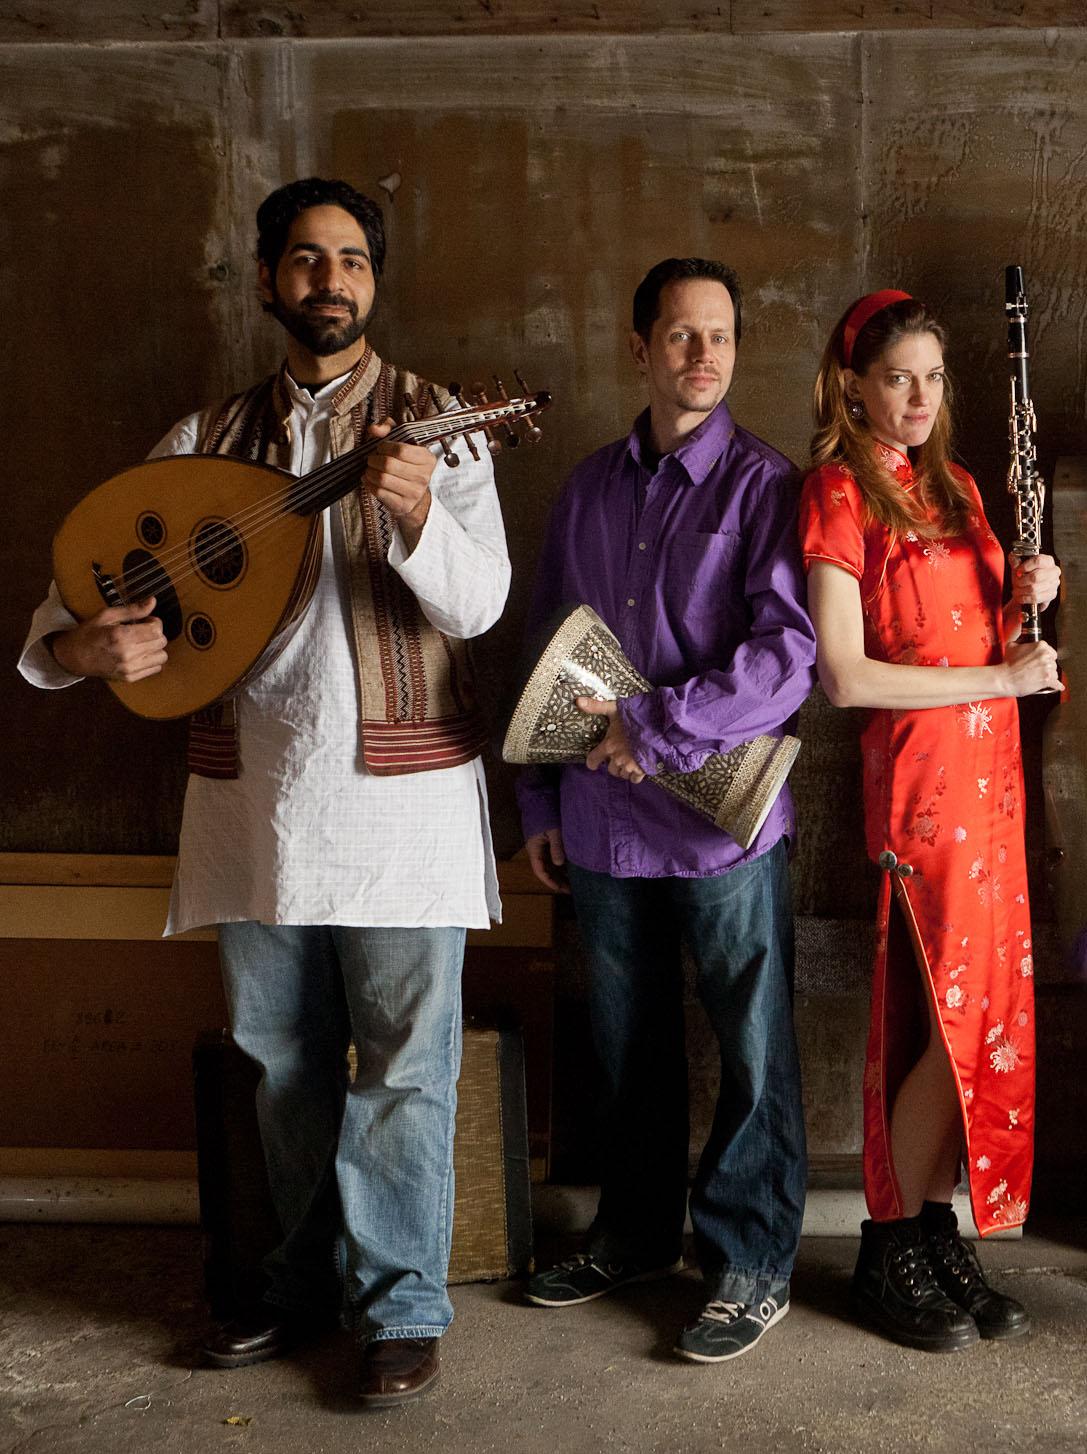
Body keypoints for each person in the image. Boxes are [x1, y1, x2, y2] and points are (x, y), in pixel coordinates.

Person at [18, 177, 511, 1405]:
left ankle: (400, 1306)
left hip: (405, 808)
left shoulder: (441, 424)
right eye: (303, 259)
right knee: (276, 1058)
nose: (328, 280)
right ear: (265, 281)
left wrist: (411, 522)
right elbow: (79, 595)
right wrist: (79, 651)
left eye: (350, 259)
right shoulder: (200, 441)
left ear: (375, 284)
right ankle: (294, 1288)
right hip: (256, 805)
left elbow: (481, 604)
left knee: (404, 1061)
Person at [517, 257, 816, 1363]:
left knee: (750, 1038)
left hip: (722, 824)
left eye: (721, 337)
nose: (703, 356)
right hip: (598, 824)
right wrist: (541, 791)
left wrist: (654, 728)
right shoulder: (587, 488)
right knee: (623, 1041)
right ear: (637, 348)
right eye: (682, 336)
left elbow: (788, 657)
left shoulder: (765, 486)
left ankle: (749, 1256)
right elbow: (547, 651)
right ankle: (635, 1234)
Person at [799, 290, 1060, 1352]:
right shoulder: (836, 491)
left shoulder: (954, 487)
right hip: (920, 787)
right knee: (947, 1025)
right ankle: (887, 1240)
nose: (917, 397)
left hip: (990, 781)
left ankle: (930, 1222)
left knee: (988, 1021)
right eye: (897, 376)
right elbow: (848, 676)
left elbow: (967, 634)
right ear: (854, 383)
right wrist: (1001, 665)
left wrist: (1027, 591)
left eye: (932, 378)